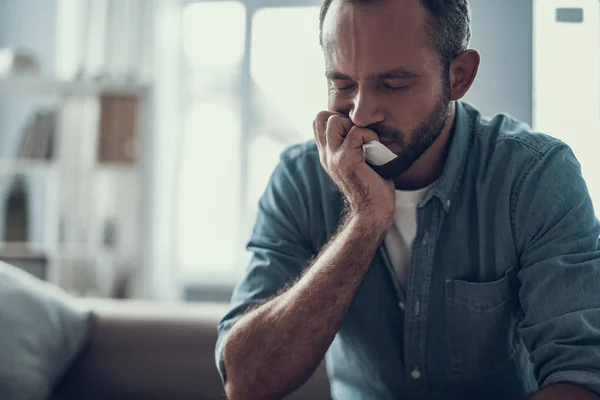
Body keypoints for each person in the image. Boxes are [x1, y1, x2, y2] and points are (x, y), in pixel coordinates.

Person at [215, 0, 600, 399]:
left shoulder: (534, 177)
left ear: (459, 76)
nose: (361, 114)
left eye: (394, 84)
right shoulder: (300, 181)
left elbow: (582, 378)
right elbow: (246, 383)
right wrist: (363, 221)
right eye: (343, 84)